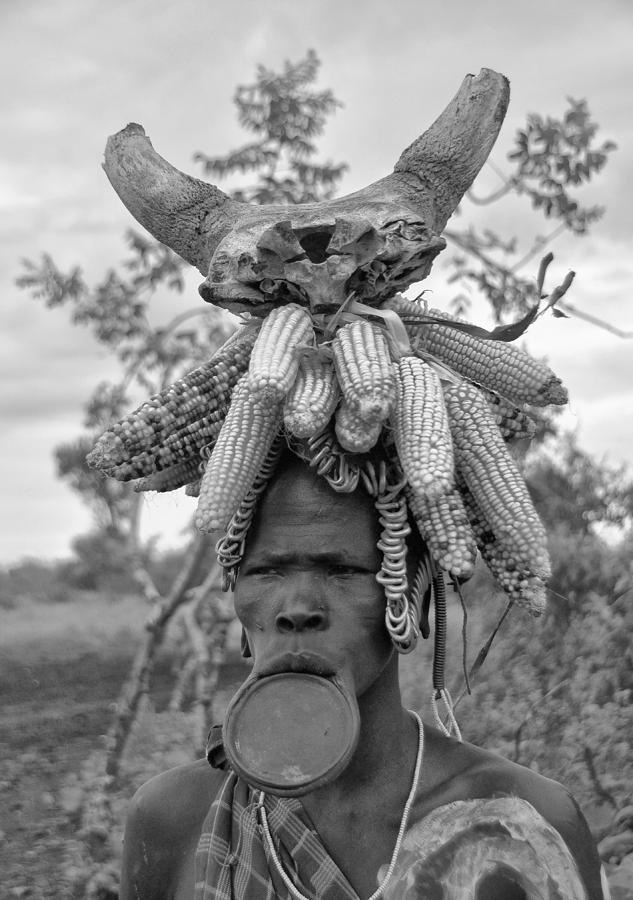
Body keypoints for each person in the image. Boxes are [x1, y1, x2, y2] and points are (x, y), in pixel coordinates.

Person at [119, 450, 605, 900]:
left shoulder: (522, 828)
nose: (298, 608)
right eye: (267, 571)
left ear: (413, 603)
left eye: (343, 571)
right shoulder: (171, 819)